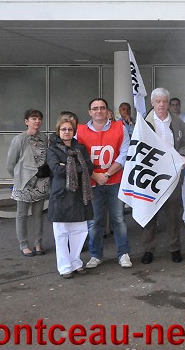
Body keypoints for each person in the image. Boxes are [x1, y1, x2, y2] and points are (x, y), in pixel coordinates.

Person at [76, 98, 132, 269]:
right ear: (89, 112)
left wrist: (106, 174)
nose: (98, 111)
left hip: (114, 181)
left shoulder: (120, 128)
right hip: (92, 183)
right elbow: (79, 158)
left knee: (119, 219)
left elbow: (124, 154)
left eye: (102, 108)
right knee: (94, 221)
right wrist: (95, 175)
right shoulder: (80, 131)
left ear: (107, 111)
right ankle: (95, 255)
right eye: (95, 108)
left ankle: (123, 254)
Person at [141, 88, 185, 264]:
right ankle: (149, 249)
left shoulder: (178, 122)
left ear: (168, 103)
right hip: (150, 175)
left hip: (172, 175)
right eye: (158, 101)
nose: (161, 104)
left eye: (164, 101)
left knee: (173, 214)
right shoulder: (144, 123)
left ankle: (175, 248)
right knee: (150, 214)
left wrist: (183, 154)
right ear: (152, 103)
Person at [46, 115, 94, 278]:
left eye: (70, 129)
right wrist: (78, 168)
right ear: (58, 131)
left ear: (74, 131)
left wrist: (68, 166)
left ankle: (76, 262)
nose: (66, 132)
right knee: (61, 233)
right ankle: (65, 267)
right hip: (61, 195)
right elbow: (56, 170)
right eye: (63, 129)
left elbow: (89, 167)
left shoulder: (80, 148)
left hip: (80, 195)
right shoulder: (52, 149)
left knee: (79, 232)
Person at [6, 109, 50, 257]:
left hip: (41, 182)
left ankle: (38, 243)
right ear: (26, 121)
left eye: (39, 119)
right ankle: (23, 244)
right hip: (24, 183)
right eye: (33, 118)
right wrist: (19, 177)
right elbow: (10, 164)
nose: (37, 121)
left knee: (38, 214)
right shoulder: (19, 139)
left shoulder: (44, 137)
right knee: (21, 214)